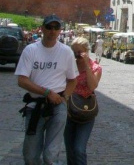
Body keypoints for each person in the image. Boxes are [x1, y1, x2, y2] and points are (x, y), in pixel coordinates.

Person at [15, 14, 78, 165]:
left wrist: (65, 98)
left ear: (60, 30)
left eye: (56, 28)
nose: (52, 31)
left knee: (50, 156)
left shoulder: (66, 52)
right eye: (49, 27)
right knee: (30, 156)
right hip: (35, 105)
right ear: (42, 29)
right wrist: (46, 92)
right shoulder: (31, 50)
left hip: (58, 106)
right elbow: (22, 80)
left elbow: (73, 79)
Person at [64, 37, 102, 165]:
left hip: (85, 112)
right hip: (68, 111)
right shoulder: (68, 65)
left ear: (86, 51)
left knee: (79, 149)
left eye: (79, 52)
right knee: (70, 150)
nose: (76, 55)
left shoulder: (95, 67)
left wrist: (86, 65)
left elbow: (92, 86)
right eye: (73, 52)